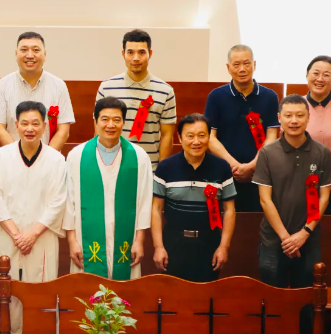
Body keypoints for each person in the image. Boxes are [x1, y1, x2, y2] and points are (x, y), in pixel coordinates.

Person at [0, 101, 67, 334]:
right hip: (8, 235)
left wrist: (32, 234)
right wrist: (17, 235)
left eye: (35, 123)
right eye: (25, 123)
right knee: (4, 290)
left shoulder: (56, 160)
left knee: (40, 290)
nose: (30, 128)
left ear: (45, 127)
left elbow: (57, 201)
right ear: (16, 126)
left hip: (41, 236)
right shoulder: (0, 158)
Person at [253, 94, 331, 288]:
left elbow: (324, 196)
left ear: (308, 117)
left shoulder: (322, 152)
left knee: (307, 300)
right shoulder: (267, 153)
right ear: (279, 118)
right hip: (274, 240)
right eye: (288, 115)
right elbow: (265, 200)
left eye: (299, 115)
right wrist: (286, 238)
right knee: (273, 301)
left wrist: (304, 233)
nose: (294, 120)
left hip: (309, 238)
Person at [64, 97, 153, 280]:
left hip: (126, 241)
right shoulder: (77, 156)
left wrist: (139, 241)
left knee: (123, 298)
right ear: (95, 121)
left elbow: (144, 202)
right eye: (105, 119)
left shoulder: (138, 157)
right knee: (87, 295)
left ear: (123, 122)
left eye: (116, 119)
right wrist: (72, 241)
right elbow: (68, 202)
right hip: (85, 240)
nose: (110, 125)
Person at [151, 114, 236, 282]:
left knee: (205, 298)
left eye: (201, 135)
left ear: (209, 137)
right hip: (174, 242)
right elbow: (155, 209)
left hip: (209, 243)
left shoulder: (222, 167)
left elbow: (229, 210)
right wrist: (158, 246)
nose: (196, 142)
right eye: (190, 136)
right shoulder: (165, 167)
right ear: (180, 138)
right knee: (174, 297)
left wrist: (223, 247)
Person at [205, 44, 279, 212]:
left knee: (255, 222)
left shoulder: (270, 96)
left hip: (261, 173)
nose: (242, 69)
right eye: (236, 65)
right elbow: (210, 137)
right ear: (228, 68)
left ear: (255, 65)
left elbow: (271, 137)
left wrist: (252, 166)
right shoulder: (216, 97)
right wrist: (235, 166)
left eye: (247, 63)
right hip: (224, 172)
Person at [97, 29, 176, 171]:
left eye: (142, 52)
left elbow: (167, 136)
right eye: (130, 52)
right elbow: (99, 131)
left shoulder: (165, 91)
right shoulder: (106, 88)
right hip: (112, 168)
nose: (136, 58)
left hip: (148, 169)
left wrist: (160, 173)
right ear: (123, 54)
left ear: (150, 54)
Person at [0, 32, 74, 151]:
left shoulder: (59, 86)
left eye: (36, 50)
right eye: (24, 50)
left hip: (50, 162)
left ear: (45, 54)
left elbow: (63, 131)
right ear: (16, 54)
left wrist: (46, 158)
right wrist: (18, 156)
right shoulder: (2, 85)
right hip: (12, 159)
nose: (30, 55)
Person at [304, 56, 331, 214]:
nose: (320, 79)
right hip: (302, 186)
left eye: (327, 75)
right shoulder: (295, 106)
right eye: (315, 73)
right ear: (307, 75)